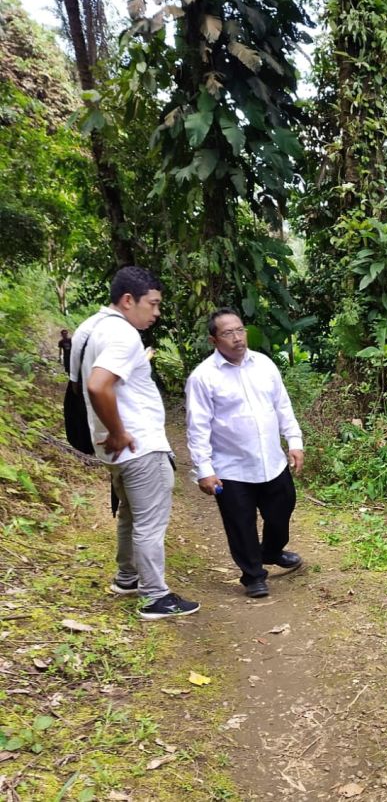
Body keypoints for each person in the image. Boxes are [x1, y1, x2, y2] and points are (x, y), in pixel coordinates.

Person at [76, 266, 199, 620]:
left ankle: (127, 578)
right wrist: (118, 430)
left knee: (130, 514)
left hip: (118, 450)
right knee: (149, 521)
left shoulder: (91, 328)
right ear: (128, 301)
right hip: (139, 446)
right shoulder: (123, 335)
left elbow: (78, 382)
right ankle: (155, 596)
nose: (157, 313)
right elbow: (98, 385)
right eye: (154, 304)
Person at [185, 308, 304, 599]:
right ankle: (252, 575)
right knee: (240, 523)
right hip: (230, 466)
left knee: (283, 507)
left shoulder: (264, 364)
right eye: (228, 333)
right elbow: (197, 426)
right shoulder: (203, 378)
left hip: (272, 461)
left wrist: (295, 441)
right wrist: (204, 469)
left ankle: (272, 551)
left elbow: (282, 405)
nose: (237, 338)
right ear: (214, 340)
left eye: (240, 330)